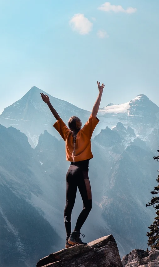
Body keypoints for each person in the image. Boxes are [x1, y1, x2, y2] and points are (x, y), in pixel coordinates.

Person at [40, 81, 104, 248]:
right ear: (79, 125)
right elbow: (95, 110)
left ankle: (68, 240)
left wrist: (48, 103)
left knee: (69, 205)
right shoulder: (85, 133)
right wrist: (100, 92)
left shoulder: (67, 135)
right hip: (82, 172)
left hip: (70, 171)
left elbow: (57, 117)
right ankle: (75, 234)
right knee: (87, 205)